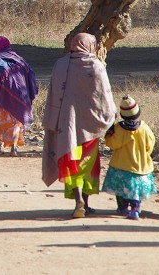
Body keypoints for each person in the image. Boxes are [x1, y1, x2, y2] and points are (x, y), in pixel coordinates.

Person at [41, 33, 116, 218]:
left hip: (66, 127)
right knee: (87, 164)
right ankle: (86, 202)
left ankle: (78, 201)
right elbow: (105, 96)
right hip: (89, 128)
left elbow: (52, 94)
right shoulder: (96, 66)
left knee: (72, 161)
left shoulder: (60, 65)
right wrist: (111, 118)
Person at [101, 95, 157, 220]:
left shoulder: (118, 128)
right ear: (138, 113)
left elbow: (112, 144)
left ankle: (123, 208)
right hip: (141, 168)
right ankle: (135, 210)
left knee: (121, 190)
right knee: (135, 192)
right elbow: (150, 145)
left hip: (120, 167)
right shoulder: (144, 128)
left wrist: (108, 135)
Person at [0, 35, 38, 157]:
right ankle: (13, 149)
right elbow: (30, 74)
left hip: (1, 95)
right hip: (20, 95)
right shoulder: (19, 60)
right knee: (15, 121)